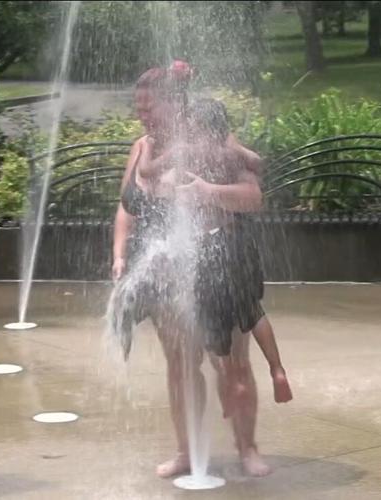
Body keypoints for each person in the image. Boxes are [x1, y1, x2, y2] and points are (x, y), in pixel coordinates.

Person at [109, 62, 272, 478]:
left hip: (219, 259)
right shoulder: (140, 147)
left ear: (175, 104)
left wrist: (207, 192)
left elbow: (252, 197)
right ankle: (187, 451)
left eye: (151, 107)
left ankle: (246, 447)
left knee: (231, 362)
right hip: (165, 266)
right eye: (139, 107)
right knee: (181, 364)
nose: (143, 115)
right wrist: (120, 254)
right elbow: (126, 207)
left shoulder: (210, 139)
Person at [139, 97, 293, 405]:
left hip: (210, 248)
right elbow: (258, 162)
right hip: (236, 244)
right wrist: (235, 148)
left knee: (212, 320)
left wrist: (148, 148)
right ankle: (277, 369)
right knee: (252, 312)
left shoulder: (185, 153)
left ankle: (227, 382)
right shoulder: (230, 155)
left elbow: (146, 172)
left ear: (194, 128)